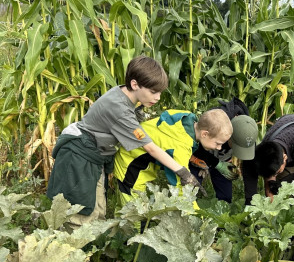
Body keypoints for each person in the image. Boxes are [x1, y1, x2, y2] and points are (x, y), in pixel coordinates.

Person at [47, 56, 201, 226]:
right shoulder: (120, 110)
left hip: (94, 155)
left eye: (160, 92)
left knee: (97, 211)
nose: (157, 97)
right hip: (79, 156)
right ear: (135, 84)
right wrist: (183, 172)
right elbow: (151, 148)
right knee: (81, 213)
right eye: (153, 92)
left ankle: (90, 250)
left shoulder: (124, 93)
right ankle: (66, 250)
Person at [113, 108, 233, 204]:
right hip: (131, 166)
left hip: (136, 158)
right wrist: (197, 215)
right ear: (205, 134)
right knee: (135, 213)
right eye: (218, 143)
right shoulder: (180, 148)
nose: (219, 148)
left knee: (125, 209)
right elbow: (180, 189)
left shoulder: (187, 117)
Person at [189, 98, 258, 203]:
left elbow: (250, 166)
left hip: (223, 160)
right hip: (200, 155)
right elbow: (197, 144)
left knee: (226, 197)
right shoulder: (216, 122)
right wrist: (216, 163)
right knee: (189, 190)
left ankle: (222, 213)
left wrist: (251, 200)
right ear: (229, 136)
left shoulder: (247, 131)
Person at [243, 114, 294, 205]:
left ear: (285, 158)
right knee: (281, 188)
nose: (273, 175)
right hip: (288, 136)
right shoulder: (266, 149)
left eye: (276, 172)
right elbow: (270, 185)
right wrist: (272, 212)